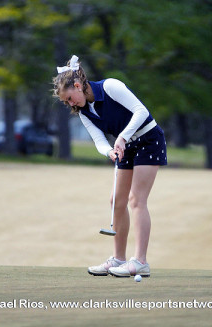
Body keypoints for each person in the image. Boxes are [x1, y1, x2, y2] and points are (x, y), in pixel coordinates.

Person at [52, 55, 167, 277]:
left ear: (77, 85)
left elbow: (141, 112)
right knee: (116, 200)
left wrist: (122, 138)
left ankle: (140, 261)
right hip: (124, 145)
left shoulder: (111, 86)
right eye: (66, 102)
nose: (70, 104)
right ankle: (118, 259)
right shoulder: (84, 112)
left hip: (148, 139)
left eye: (69, 98)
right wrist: (110, 151)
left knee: (137, 200)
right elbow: (99, 141)